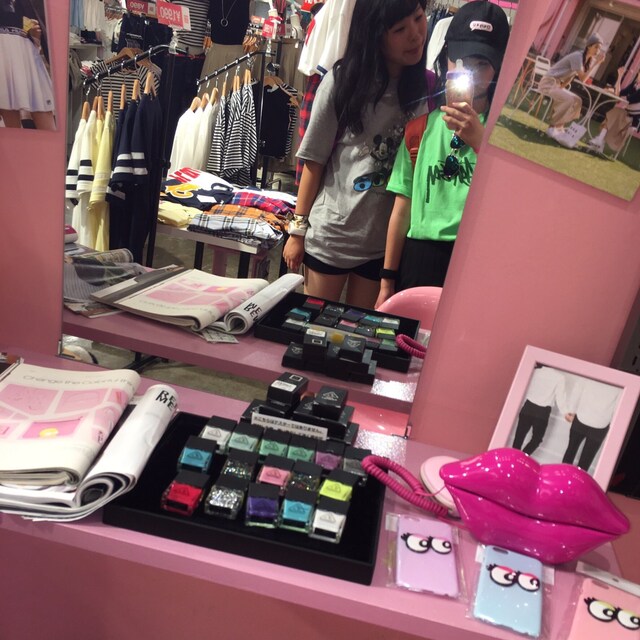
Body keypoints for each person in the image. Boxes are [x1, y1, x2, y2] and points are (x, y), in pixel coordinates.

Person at [282, 0, 429, 309]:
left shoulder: (426, 89)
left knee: (357, 335)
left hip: (381, 246)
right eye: (400, 29)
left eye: (418, 18)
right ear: (375, 35)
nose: (415, 34)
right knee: (314, 330)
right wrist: (297, 231)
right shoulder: (342, 82)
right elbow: (314, 161)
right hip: (331, 237)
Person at [376, 1, 509, 303]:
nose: (470, 73)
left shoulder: (504, 140)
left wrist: (481, 143)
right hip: (419, 255)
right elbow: (402, 209)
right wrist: (386, 281)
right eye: (460, 60)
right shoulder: (419, 129)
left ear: (499, 66)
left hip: (476, 257)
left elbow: (511, 201)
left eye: (482, 64)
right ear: (446, 56)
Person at [538, 33, 605, 142]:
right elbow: (582, 79)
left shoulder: (586, 60)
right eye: (596, 47)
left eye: (599, 48)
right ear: (589, 46)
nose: (598, 50)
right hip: (548, 83)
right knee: (569, 99)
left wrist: (562, 87)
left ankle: (559, 126)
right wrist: (596, 63)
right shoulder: (578, 56)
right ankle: (552, 127)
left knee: (578, 100)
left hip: (557, 84)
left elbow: (572, 75)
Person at [0, 0, 55, 130]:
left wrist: (35, 37)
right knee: (11, 122)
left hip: (27, 55)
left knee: (44, 114)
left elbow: (39, 32)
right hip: (4, 54)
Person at [562, 377, 621, 473]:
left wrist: (571, 410)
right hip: (601, 424)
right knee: (586, 460)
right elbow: (618, 406)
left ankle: (563, 475)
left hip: (581, 418)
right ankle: (578, 481)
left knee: (571, 450)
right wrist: (614, 425)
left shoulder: (589, 377)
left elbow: (577, 391)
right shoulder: (619, 384)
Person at [511, 364, 569, 456]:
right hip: (542, 412)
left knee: (519, 437)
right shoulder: (559, 377)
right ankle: (522, 458)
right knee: (536, 439)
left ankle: (513, 459)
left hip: (528, 406)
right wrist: (565, 413)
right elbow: (560, 397)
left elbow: (524, 387)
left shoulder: (535, 372)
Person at [587, 67, 640, 154]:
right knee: (614, 113)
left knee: (615, 113)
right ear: (638, 73)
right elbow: (620, 93)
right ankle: (600, 141)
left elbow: (628, 98)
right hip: (625, 114)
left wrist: (613, 91)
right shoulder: (635, 84)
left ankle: (600, 141)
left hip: (632, 119)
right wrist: (619, 77)